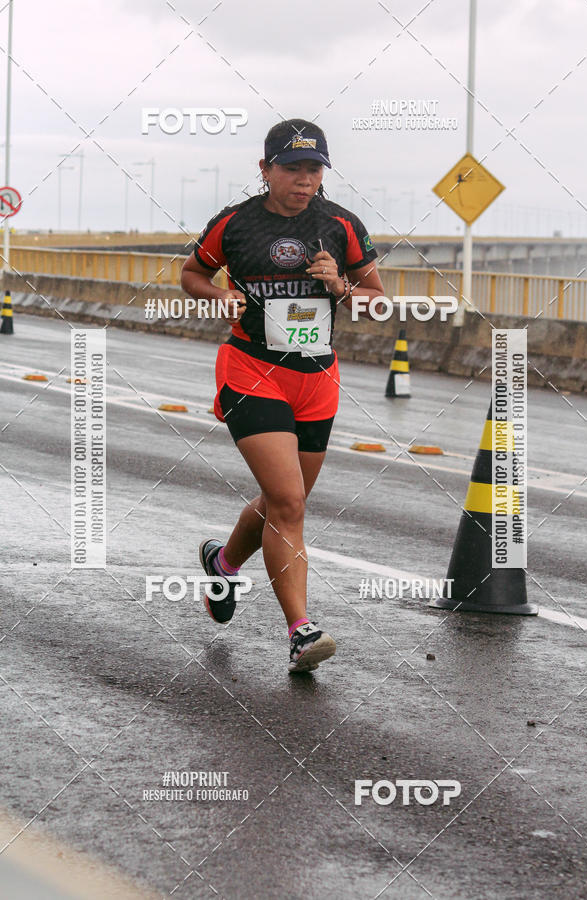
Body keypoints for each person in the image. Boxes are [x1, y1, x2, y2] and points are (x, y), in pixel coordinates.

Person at [181, 118, 385, 673]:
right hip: (252, 369)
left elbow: (375, 301)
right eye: (291, 168)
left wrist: (339, 285)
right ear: (265, 169)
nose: (303, 179)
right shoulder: (234, 223)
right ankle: (301, 630)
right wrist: (217, 295)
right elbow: (191, 273)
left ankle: (223, 565)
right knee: (289, 502)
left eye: (313, 168)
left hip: (316, 376)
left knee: (282, 502)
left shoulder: (342, 225)